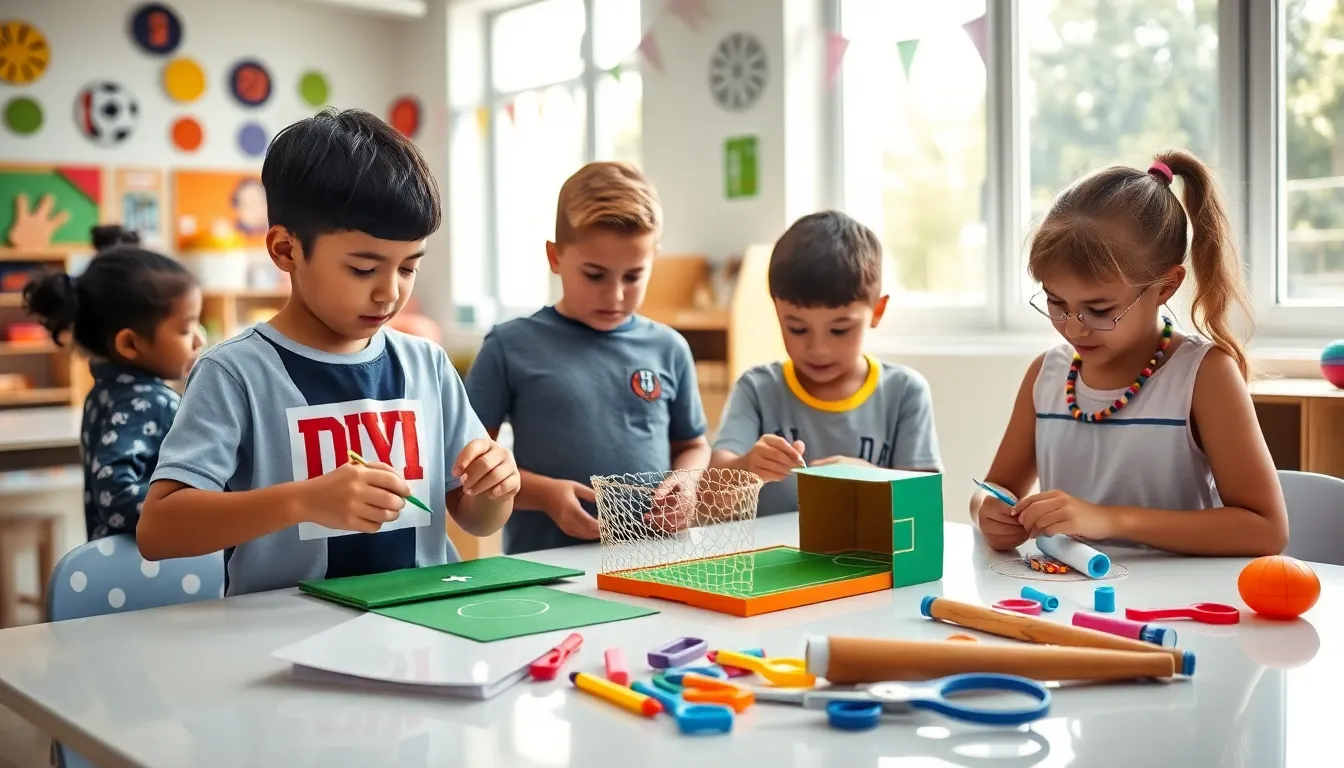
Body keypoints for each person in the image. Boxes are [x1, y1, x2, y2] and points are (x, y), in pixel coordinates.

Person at [138, 108, 518, 595]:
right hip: (283, 640)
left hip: (422, 625)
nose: (389, 293)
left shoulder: (427, 364)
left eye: (408, 268)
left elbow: (477, 519)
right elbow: (158, 531)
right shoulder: (235, 372)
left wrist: (496, 487)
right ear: (285, 250)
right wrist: (303, 501)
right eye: (363, 269)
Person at [971, 149, 1288, 556]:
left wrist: (1107, 520)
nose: (1072, 326)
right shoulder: (1046, 374)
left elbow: (1266, 529)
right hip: (1070, 605)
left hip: (1180, 609)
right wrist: (989, 510)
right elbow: (995, 489)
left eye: (1099, 310)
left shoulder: (1204, 375)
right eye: (1056, 303)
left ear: (1166, 286)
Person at [465, 161, 710, 554]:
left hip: (658, 558)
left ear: (654, 261)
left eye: (633, 276)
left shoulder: (669, 348)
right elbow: (470, 464)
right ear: (555, 257)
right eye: (595, 275)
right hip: (548, 568)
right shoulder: (509, 346)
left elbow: (692, 443)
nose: (615, 296)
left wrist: (688, 479)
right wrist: (545, 494)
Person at [709, 211, 943, 516]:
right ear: (776, 311)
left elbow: (925, 506)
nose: (818, 349)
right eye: (797, 328)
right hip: (776, 560)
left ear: (877, 311)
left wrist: (872, 479)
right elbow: (709, 499)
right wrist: (746, 468)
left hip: (871, 561)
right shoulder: (756, 389)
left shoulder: (905, 392)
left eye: (839, 330)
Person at [22, 247, 202, 540]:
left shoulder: (107, 391)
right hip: (148, 570)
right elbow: (115, 495)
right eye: (185, 329)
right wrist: (197, 499)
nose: (200, 338)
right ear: (130, 344)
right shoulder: (143, 401)